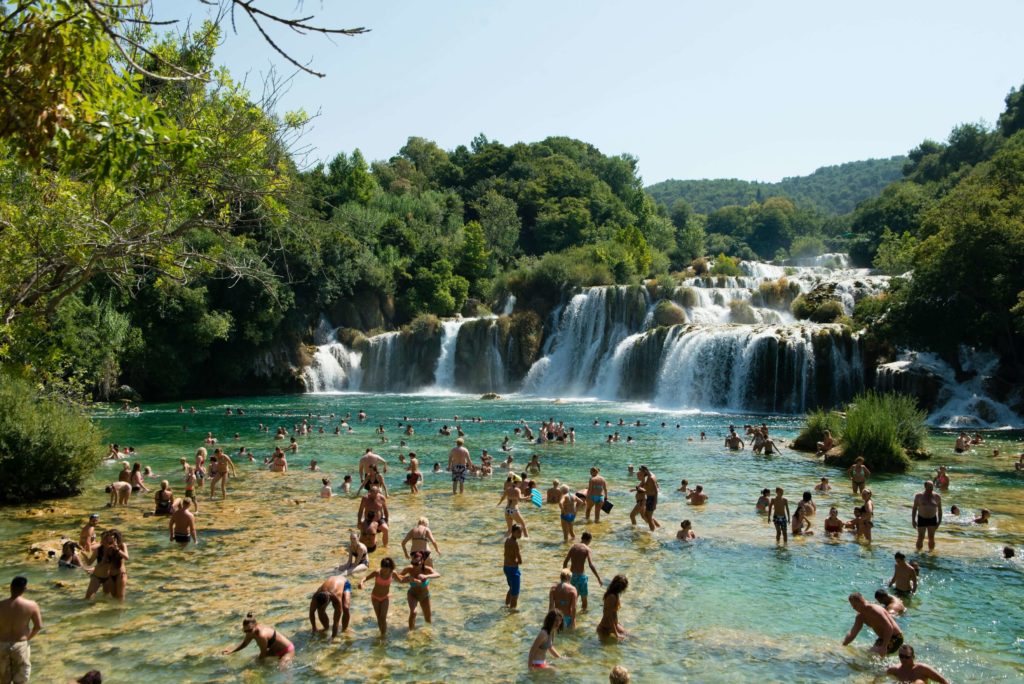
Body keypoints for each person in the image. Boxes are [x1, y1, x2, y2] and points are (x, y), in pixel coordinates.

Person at [0, 577, 42, 684]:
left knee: (3, 680)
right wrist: (28, 638)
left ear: (10, 588)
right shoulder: (31, 605)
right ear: (25, 589)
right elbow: (38, 626)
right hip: (20, 644)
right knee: (21, 680)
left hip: (2, 644)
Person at [222, 612, 294, 667]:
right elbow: (245, 644)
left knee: (282, 670)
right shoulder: (250, 630)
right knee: (252, 659)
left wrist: (258, 667)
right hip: (275, 651)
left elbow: (263, 653)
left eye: (249, 630)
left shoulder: (261, 635)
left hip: (287, 651)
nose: (247, 632)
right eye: (245, 631)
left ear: (256, 625)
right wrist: (232, 651)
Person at [399, 551, 440, 631]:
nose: (414, 566)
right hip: (412, 594)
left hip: (425, 596)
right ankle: (410, 632)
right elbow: (398, 577)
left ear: (422, 561)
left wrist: (426, 576)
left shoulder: (426, 569)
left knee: (428, 618)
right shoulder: (409, 569)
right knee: (413, 612)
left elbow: (438, 574)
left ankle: (428, 633)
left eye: (416, 564)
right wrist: (407, 578)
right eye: (412, 563)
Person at [563, 531, 603, 611]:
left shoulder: (573, 547)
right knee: (584, 598)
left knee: (573, 597)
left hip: (572, 576)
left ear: (582, 538)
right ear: (589, 540)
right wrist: (598, 578)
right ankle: (583, 614)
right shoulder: (587, 549)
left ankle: (570, 613)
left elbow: (565, 562)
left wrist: (564, 577)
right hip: (581, 577)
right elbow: (591, 565)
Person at [358, 557, 398, 637]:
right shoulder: (377, 573)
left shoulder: (393, 573)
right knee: (379, 618)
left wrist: (410, 579)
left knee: (383, 617)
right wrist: (361, 582)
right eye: (383, 568)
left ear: (390, 568)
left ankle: (384, 635)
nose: (384, 571)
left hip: (385, 597)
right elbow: (366, 578)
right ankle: (381, 633)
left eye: (386, 569)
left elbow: (401, 580)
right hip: (375, 597)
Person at [85, 529, 128, 600]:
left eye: (111, 538)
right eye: (108, 539)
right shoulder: (107, 549)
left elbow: (126, 557)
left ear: (116, 538)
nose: (109, 541)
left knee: (120, 598)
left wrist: (117, 549)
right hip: (110, 575)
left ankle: (120, 610)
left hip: (120, 574)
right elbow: (103, 562)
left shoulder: (122, 545)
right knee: (114, 597)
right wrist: (93, 568)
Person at [886, 644, 950, 683]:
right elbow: (880, 678)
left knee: (919, 682)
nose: (903, 659)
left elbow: (942, 680)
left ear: (913, 657)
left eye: (907, 657)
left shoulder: (922, 669)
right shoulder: (895, 670)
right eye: (901, 656)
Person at [597, 574, 629, 642]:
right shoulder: (612, 597)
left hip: (612, 625)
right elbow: (609, 615)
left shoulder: (615, 594)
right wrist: (616, 633)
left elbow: (613, 613)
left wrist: (618, 624)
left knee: (628, 636)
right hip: (604, 628)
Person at [912, 481, 942, 551]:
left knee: (931, 537)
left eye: (932, 486)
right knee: (920, 537)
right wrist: (913, 520)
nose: (931, 488)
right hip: (922, 518)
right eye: (929, 487)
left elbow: (940, 510)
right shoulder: (919, 496)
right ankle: (918, 552)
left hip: (932, 519)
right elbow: (914, 508)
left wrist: (939, 522)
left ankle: (931, 552)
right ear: (925, 487)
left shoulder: (937, 497)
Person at [503, 524, 524, 610]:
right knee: (515, 593)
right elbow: (520, 560)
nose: (520, 534)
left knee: (511, 588)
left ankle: (507, 605)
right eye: (518, 532)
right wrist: (517, 561)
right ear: (513, 532)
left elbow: (506, 554)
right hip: (513, 570)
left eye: (521, 532)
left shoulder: (507, 540)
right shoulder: (515, 543)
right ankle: (512, 611)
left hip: (506, 567)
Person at [636, 465, 661, 531]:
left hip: (652, 499)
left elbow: (656, 492)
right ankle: (658, 527)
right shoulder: (651, 475)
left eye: (642, 472)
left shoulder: (651, 478)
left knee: (649, 518)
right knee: (647, 516)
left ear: (645, 471)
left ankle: (653, 531)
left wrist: (655, 503)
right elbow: (657, 486)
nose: (641, 474)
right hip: (649, 497)